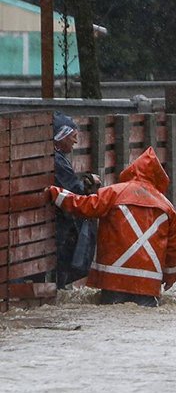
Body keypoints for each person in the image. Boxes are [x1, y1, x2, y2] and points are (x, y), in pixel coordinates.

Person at [48, 147, 176, 307]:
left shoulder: (114, 193)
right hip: (148, 283)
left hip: (113, 278)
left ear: (133, 170)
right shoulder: (167, 207)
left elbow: (84, 206)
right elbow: (174, 248)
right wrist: (170, 277)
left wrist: (56, 193)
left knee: (112, 313)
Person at [53, 112, 101, 288]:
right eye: (73, 137)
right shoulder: (57, 160)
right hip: (59, 227)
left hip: (56, 226)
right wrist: (88, 185)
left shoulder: (57, 157)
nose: (75, 142)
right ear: (61, 136)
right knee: (63, 266)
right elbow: (72, 190)